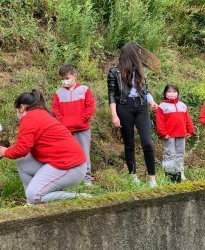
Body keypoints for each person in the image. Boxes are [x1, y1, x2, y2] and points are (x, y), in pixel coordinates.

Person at [0, 89, 90, 205]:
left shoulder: (30, 118)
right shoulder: (40, 114)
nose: (17, 113)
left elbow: (21, 150)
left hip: (71, 167)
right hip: (63, 162)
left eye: (16, 110)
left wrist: (5, 152)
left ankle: (80, 198)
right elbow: (24, 145)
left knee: (34, 195)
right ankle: (33, 201)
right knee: (24, 162)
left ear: (22, 107)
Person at [107, 42, 159, 188]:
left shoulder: (142, 70)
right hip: (124, 107)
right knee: (129, 143)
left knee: (147, 143)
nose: (141, 54)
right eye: (138, 52)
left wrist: (151, 101)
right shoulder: (114, 71)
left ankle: (152, 179)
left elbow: (145, 90)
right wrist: (114, 115)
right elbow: (111, 94)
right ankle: (133, 176)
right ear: (132, 54)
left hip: (141, 106)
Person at [51, 64, 95, 185]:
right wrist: (62, 122)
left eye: (67, 77)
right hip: (65, 131)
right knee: (67, 154)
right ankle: (71, 180)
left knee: (84, 153)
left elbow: (90, 106)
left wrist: (82, 120)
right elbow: (55, 109)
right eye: (63, 78)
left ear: (74, 76)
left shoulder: (84, 90)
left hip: (82, 129)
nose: (65, 80)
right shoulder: (58, 93)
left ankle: (87, 179)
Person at [156, 84, 194, 182]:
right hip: (168, 136)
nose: (172, 93)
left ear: (177, 93)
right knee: (169, 154)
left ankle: (180, 173)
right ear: (165, 93)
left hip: (181, 134)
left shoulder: (182, 105)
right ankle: (169, 175)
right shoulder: (162, 106)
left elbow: (188, 119)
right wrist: (163, 133)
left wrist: (190, 130)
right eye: (169, 91)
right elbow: (160, 122)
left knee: (180, 154)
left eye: (174, 91)